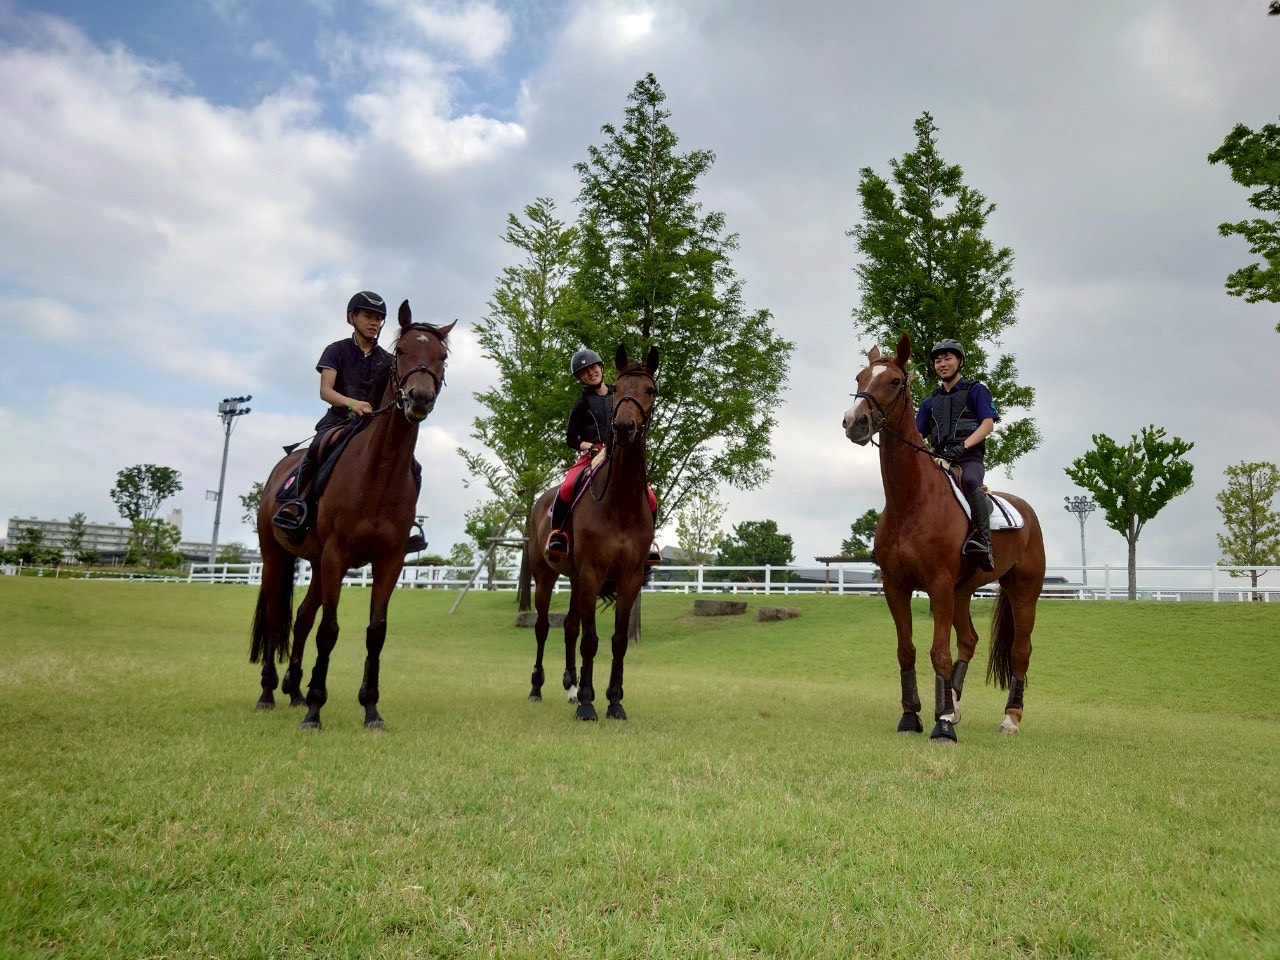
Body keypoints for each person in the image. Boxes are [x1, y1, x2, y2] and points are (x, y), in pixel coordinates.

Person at [272, 291, 426, 553]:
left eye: (379, 318)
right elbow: (326, 391)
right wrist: (353, 404)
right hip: (339, 422)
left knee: (413, 466)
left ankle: (405, 523)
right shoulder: (336, 351)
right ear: (351, 317)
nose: (374, 323)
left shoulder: (389, 361)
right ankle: (298, 505)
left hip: (372, 427)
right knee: (318, 449)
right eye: (368, 316)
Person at [545, 347, 659, 563]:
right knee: (567, 487)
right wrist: (589, 446)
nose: (591, 372)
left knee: (650, 497)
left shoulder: (620, 394)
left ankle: (648, 540)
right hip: (592, 454)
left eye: (593, 367)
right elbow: (571, 439)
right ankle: (558, 535)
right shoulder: (581, 404)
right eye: (584, 371)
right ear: (580, 377)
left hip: (618, 453)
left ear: (601, 367)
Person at [916, 338, 998, 570]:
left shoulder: (976, 390)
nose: (942, 364)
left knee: (971, 481)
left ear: (960, 362)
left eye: (947, 358)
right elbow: (916, 434)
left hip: (968, 458)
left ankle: (983, 542)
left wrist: (964, 446)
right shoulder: (929, 402)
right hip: (938, 458)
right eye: (938, 360)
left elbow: (988, 424)